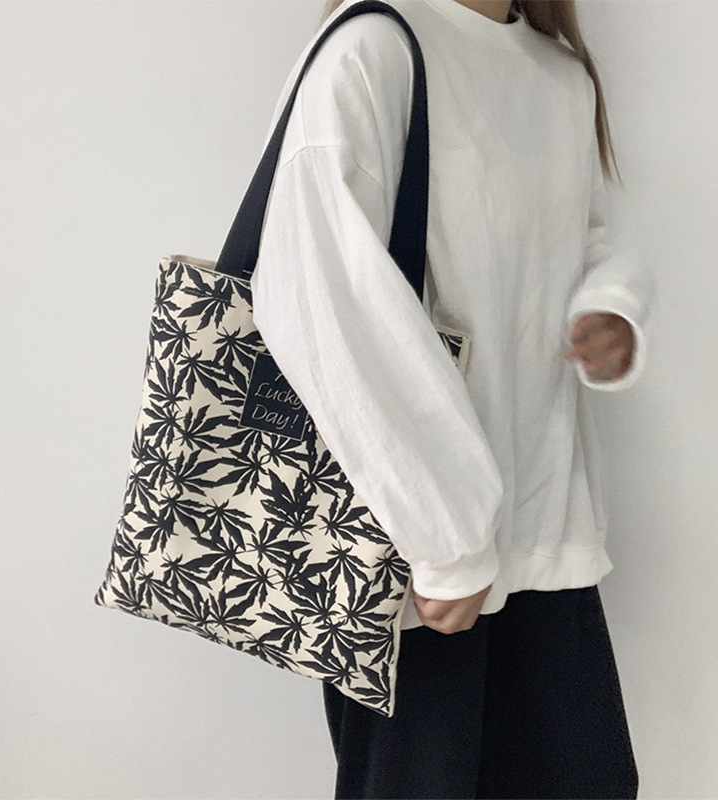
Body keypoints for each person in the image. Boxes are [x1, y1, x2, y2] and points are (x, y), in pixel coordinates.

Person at [249, 0, 655, 797]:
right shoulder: (374, 49)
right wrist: (447, 540)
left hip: (545, 540)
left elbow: (579, 238)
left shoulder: (561, 77)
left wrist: (612, 306)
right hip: (412, 565)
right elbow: (316, 294)